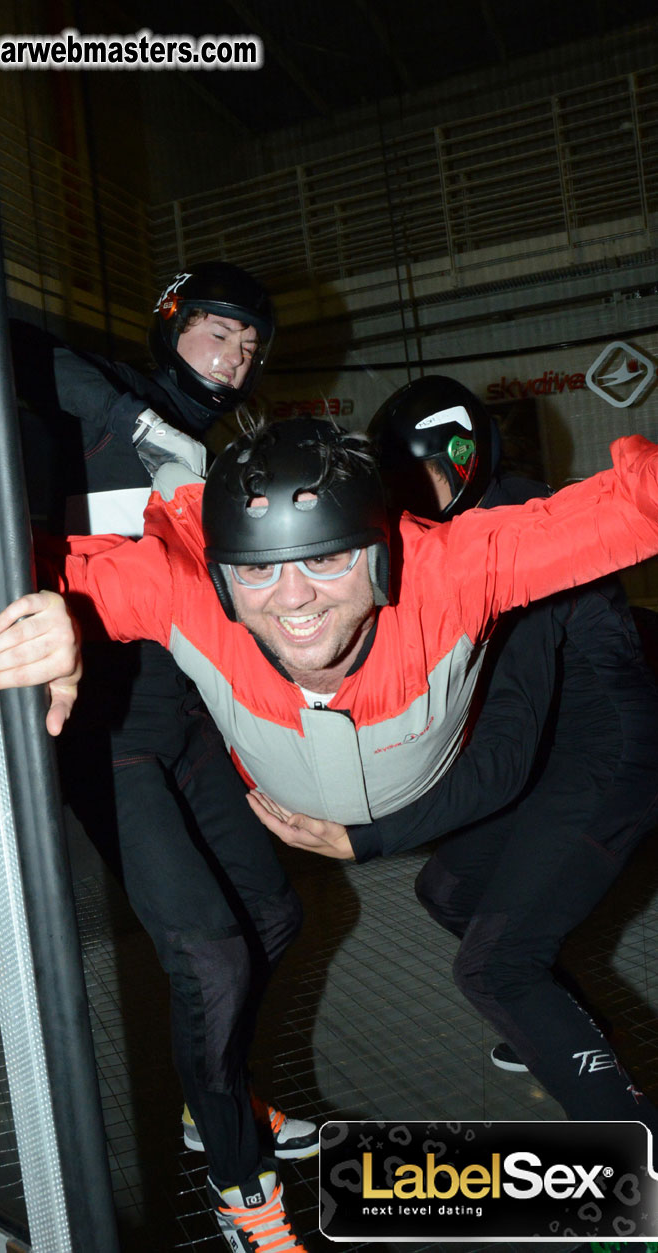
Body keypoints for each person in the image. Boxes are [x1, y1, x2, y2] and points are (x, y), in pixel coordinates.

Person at [0, 416, 658, 1168]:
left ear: (381, 553)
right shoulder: (179, 584)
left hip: (519, 776)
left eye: (327, 558)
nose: (292, 603)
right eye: (256, 570)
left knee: (496, 957)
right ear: (220, 571)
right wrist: (42, 616)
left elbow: (637, 504)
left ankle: (633, 1161)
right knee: (440, 899)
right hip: (365, 793)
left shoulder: (458, 565)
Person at [257, 376, 658, 1133]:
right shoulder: (466, 520)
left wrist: (368, 836)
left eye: (426, 480)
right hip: (551, 755)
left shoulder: (515, 535)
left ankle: (636, 1176)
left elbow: (502, 752)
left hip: (604, 761)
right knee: (447, 890)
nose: (413, 504)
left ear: (467, 461)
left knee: (493, 969)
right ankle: (567, 1030)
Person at [8, 264, 315, 1253]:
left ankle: (209, 1096)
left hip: (182, 715)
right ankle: (240, 1187)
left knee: (272, 910)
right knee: (210, 951)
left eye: (249, 347)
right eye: (218, 333)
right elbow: (7, 347)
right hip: (100, 727)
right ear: (171, 322)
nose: (233, 358)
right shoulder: (97, 398)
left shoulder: (218, 446)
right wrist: (131, 418)